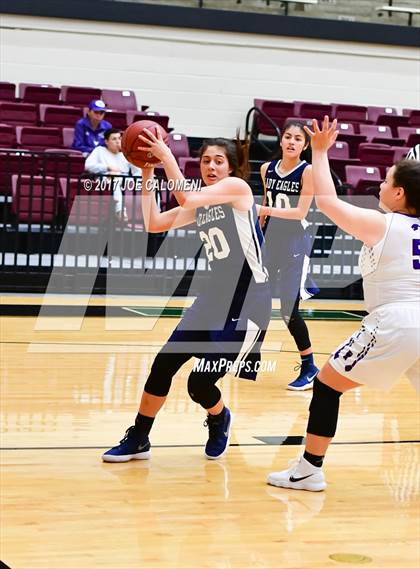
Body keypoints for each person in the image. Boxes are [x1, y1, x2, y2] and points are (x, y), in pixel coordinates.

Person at [267, 116, 420, 492]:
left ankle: (309, 469)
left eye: (386, 181)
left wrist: (319, 152)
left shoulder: (385, 225)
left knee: (326, 385)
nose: (380, 184)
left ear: (399, 194)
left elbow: (327, 202)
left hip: (395, 321)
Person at [102, 131, 272, 463]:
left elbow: (185, 199)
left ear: (231, 168)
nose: (210, 166)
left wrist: (165, 156)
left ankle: (219, 416)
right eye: (205, 160)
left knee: (199, 384)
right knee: (162, 365)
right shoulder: (203, 203)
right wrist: (146, 169)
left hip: (247, 302)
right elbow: (153, 223)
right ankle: (139, 437)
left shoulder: (238, 190)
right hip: (212, 299)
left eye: (218, 161)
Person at [259, 120, 319, 391]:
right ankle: (244, 353)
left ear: (305, 146)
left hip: (295, 243)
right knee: (252, 296)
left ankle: (309, 367)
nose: (292, 142)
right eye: (288, 137)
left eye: (298, 139)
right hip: (270, 242)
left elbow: (300, 213)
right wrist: (258, 225)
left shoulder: (307, 172)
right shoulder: (266, 169)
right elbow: (265, 206)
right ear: (281, 141)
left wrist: (266, 210)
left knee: (288, 310)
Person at [85, 128, 141, 220]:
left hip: (125, 179)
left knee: (151, 183)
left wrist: (138, 180)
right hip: (106, 178)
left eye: (119, 138)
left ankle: (156, 213)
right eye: (114, 139)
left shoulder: (126, 154)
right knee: (114, 181)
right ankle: (120, 212)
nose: (118, 141)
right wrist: (107, 167)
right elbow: (88, 166)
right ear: (106, 141)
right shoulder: (99, 150)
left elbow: (137, 171)